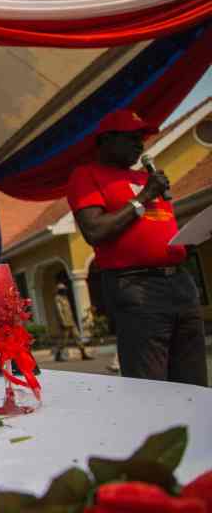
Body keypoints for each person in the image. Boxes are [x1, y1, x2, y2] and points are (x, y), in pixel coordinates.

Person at [67, 109, 207, 386]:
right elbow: (95, 231)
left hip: (180, 282)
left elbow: (158, 227)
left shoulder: (147, 178)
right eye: (132, 137)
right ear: (106, 140)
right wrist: (145, 196)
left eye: (142, 138)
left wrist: (185, 243)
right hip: (137, 286)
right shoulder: (87, 176)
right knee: (150, 384)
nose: (140, 145)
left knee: (194, 382)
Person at [51, 273, 93, 362]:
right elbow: (59, 311)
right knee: (64, 340)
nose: (64, 290)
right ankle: (58, 354)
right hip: (65, 322)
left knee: (77, 337)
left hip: (71, 321)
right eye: (62, 289)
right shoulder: (58, 298)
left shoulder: (65, 298)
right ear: (59, 290)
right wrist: (62, 321)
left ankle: (83, 353)